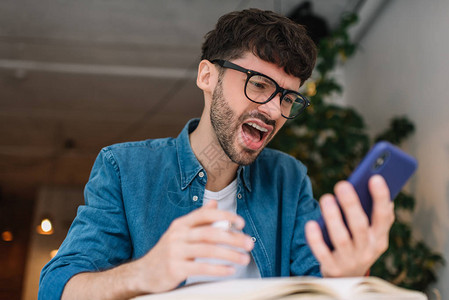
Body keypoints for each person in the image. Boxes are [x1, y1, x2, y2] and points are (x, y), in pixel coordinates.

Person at [38, 8, 394, 300]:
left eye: (288, 98)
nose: (273, 111)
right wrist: (145, 272)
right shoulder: (125, 168)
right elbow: (56, 288)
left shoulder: (289, 178)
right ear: (208, 76)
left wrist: (347, 274)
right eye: (259, 85)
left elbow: (316, 283)